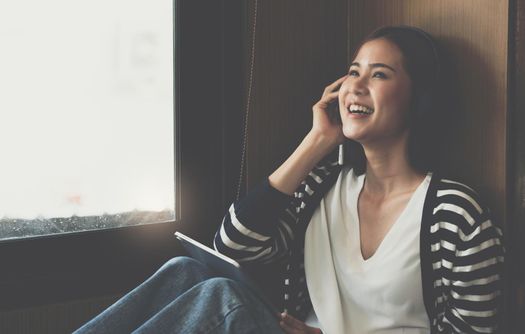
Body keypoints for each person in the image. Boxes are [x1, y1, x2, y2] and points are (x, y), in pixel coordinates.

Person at [74, 25, 505, 334]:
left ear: (419, 98)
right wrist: (317, 140)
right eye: (353, 72)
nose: (356, 86)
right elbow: (233, 246)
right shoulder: (323, 186)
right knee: (185, 270)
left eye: (379, 74)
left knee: (224, 300)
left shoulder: (454, 213)